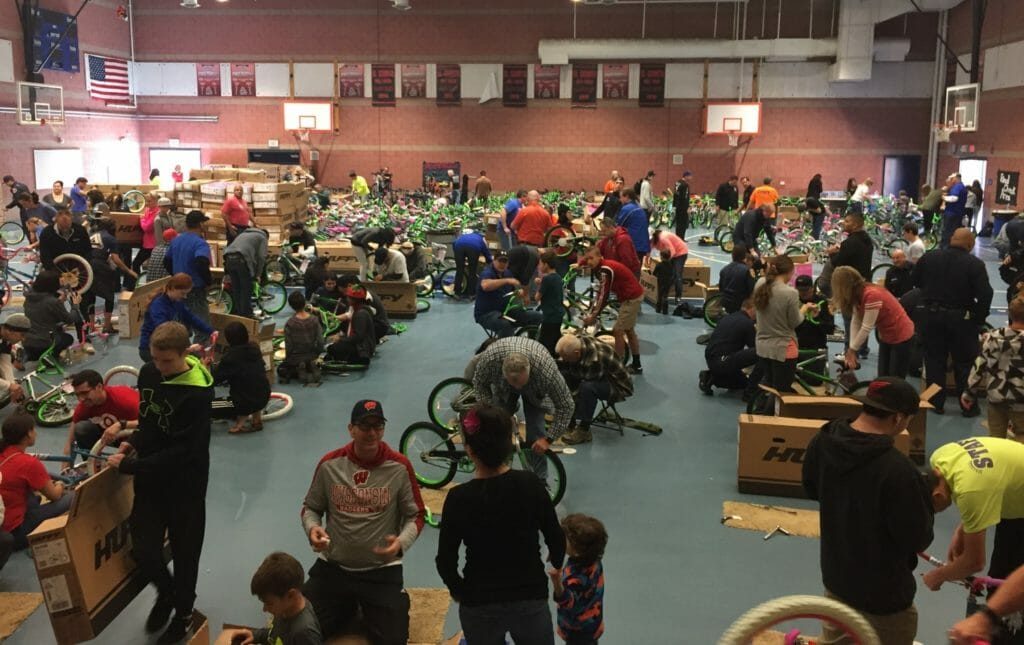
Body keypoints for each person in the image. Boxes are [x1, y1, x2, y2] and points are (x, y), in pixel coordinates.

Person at [802, 377, 933, 645]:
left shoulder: (824, 440)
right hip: (884, 596)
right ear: (897, 418)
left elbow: (812, 488)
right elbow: (917, 539)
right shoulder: (898, 470)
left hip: (837, 579)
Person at [107, 321, 214, 645]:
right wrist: (133, 440)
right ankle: (169, 596)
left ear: (184, 354)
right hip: (151, 482)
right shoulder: (150, 373)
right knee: (144, 552)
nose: (160, 368)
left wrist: (132, 465)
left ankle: (183, 615)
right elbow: (152, 420)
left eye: (167, 361)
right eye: (155, 359)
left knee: (185, 555)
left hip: (186, 486)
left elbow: (184, 451)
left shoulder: (197, 393)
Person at [435, 404, 564, 645]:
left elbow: (445, 560)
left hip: (480, 600)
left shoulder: (459, 498)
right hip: (529, 596)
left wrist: (461, 591)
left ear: (470, 450)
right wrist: (555, 563)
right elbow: (556, 538)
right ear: (509, 446)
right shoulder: (530, 483)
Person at [302, 398, 424, 644]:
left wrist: (400, 545)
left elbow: (417, 515)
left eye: (378, 426)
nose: (372, 433)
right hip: (334, 568)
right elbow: (311, 508)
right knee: (302, 629)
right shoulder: (330, 465)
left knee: (393, 640)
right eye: (364, 426)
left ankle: (392, 602)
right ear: (351, 429)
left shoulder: (400, 467)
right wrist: (313, 528)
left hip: (380, 572)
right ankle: (351, 607)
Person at [923, 437, 1024, 645]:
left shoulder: (971, 490)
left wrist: (938, 576)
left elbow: (975, 562)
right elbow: (981, 484)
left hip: (1019, 507)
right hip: (1015, 499)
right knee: (1000, 577)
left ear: (938, 497)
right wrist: (963, 529)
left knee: (1012, 588)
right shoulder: (940, 457)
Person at [912, 228, 993, 415]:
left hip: (931, 317)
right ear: (970, 245)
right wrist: (977, 318)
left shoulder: (929, 257)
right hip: (961, 320)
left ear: (951, 239)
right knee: (964, 364)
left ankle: (934, 403)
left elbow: (915, 280)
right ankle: (968, 406)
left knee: (933, 362)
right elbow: (986, 294)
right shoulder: (975, 264)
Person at [470, 337, 575, 476]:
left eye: (521, 383)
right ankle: (499, 472)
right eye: (514, 383)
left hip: (534, 391)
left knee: (536, 434)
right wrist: (490, 410)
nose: (518, 387)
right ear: (502, 371)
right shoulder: (491, 360)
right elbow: (479, 383)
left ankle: (539, 479)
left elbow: (566, 405)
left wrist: (548, 439)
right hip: (503, 389)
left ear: (529, 371)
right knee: (498, 429)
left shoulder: (546, 370)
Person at [0, 413, 73, 551]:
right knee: (72, 497)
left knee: (32, 496)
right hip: (14, 532)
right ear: (28, 434)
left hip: (3, 519)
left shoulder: (5, 453)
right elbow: (54, 496)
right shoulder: (28, 463)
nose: (36, 433)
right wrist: (60, 484)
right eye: (34, 429)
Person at [220, 552, 322, 645]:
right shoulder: (285, 610)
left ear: (291, 595)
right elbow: (274, 634)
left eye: (269, 603)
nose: (264, 609)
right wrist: (255, 635)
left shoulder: (305, 633)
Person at [832, 266, 915, 379]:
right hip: (886, 335)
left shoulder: (871, 294)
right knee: (882, 377)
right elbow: (855, 321)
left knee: (895, 379)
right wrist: (851, 349)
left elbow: (866, 327)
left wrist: (852, 350)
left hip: (901, 335)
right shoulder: (857, 294)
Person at [753, 255, 817, 395]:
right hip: (783, 348)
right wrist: (804, 309)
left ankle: (760, 413)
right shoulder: (790, 293)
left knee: (768, 385)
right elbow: (795, 322)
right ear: (789, 272)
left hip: (763, 345)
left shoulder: (760, 284)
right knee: (781, 392)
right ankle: (767, 414)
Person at [963, 297, 1024, 441]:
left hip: (996, 398)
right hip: (1021, 401)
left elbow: (979, 366)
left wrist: (969, 392)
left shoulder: (992, 338)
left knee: (995, 440)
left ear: (1010, 314)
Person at [556, 333, 633, 445]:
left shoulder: (595, 359)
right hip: (599, 376)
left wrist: (568, 403)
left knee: (587, 388)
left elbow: (580, 386)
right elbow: (564, 365)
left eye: (567, 358)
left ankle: (584, 429)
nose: (564, 359)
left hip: (617, 385)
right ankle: (570, 422)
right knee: (564, 374)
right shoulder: (577, 344)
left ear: (577, 354)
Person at [578, 247, 645, 374]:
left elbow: (604, 295)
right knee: (629, 331)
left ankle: (617, 368)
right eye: (587, 259)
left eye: (591, 258)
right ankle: (637, 365)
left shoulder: (605, 270)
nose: (589, 262)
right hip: (629, 296)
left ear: (600, 257)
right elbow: (601, 294)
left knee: (618, 330)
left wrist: (593, 315)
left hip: (632, 297)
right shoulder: (600, 266)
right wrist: (580, 263)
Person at [549, 513, 607, 645]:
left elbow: (567, 601)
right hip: (593, 625)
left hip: (577, 631)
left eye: (565, 539)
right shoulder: (595, 561)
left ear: (578, 548)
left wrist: (556, 580)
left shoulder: (576, 577)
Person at [826, 212, 875, 356]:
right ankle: (863, 348)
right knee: (861, 317)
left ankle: (849, 351)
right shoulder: (867, 240)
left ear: (855, 224)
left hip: (850, 287)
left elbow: (837, 263)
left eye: (847, 221)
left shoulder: (849, 243)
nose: (844, 223)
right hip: (865, 283)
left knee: (850, 320)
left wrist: (832, 253)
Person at [138, 273, 215, 363]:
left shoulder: (176, 301)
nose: (184, 296)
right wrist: (187, 349)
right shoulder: (158, 306)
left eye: (186, 294)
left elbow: (191, 318)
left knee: (197, 360)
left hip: (169, 344)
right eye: (182, 293)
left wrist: (211, 331)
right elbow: (165, 333)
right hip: (152, 348)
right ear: (173, 288)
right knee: (193, 362)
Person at [210, 322, 270, 434]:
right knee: (252, 385)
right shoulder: (255, 349)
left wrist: (205, 366)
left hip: (244, 402)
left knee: (206, 406)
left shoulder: (230, 357)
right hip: (264, 397)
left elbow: (213, 380)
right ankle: (256, 420)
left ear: (228, 339)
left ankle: (240, 423)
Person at [65, 368, 140, 456]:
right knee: (81, 428)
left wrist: (120, 425)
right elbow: (70, 441)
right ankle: (92, 464)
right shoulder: (85, 404)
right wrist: (66, 467)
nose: (81, 399)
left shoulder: (125, 400)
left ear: (99, 387)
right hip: (112, 437)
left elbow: (150, 423)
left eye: (85, 393)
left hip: (136, 437)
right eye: (77, 394)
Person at [165, 210, 212, 343]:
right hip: (195, 289)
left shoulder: (177, 240)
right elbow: (201, 262)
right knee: (203, 330)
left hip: (177, 290)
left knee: (182, 330)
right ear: (201, 224)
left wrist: (176, 276)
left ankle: (181, 359)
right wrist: (208, 281)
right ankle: (196, 362)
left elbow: (166, 261)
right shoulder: (200, 243)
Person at [474, 251, 541, 338]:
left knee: (536, 316)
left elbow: (512, 291)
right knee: (505, 326)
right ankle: (504, 349)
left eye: (505, 261)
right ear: (494, 261)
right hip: (486, 314)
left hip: (505, 310)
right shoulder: (487, 273)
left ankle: (531, 342)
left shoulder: (507, 273)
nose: (502, 264)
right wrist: (506, 280)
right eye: (500, 261)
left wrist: (518, 293)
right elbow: (485, 285)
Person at [700, 299, 759, 397]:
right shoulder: (747, 323)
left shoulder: (728, 317)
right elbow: (754, 346)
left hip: (712, 359)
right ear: (752, 309)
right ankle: (752, 387)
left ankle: (713, 376)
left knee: (741, 383)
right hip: (724, 360)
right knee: (762, 352)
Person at [23, 269, 80, 362]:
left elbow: (42, 310)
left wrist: (59, 302)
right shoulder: (53, 302)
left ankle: (30, 354)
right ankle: (49, 355)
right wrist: (75, 305)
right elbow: (70, 320)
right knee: (68, 338)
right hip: (43, 343)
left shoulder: (29, 297)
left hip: (27, 342)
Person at [89, 216, 134, 332]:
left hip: (87, 265)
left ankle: (91, 326)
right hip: (100, 265)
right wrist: (128, 271)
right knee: (109, 295)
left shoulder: (92, 235)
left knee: (90, 295)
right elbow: (116, 259)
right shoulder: (111, 238)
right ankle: (107, 326)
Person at [794, 275, 834, 384]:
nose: (803, 293)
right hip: (795, 347)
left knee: (814, 382)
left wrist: (816, 319)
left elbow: (830, 329)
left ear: (812, 288)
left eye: (806, 290)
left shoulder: (822, 302)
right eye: (800, 290)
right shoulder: (792, 301)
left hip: (815, 349)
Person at [223, 227, 269, 319]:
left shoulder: (243, 234)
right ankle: (247, 315)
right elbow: (261, 257)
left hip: (228, 258)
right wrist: (258, 274)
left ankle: (239, 313)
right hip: (241, 260)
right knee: (246, 288)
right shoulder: (262, 237)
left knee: (237, 288)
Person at [280, 291, 323, 385]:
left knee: (282, 368)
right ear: (305, 303)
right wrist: (318, 353)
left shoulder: (290, 323)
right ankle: (311, 364)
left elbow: (289, 345)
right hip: (312, 353)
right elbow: (320, 340)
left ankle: (300, 366)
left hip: (296, 356)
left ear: (291, 306)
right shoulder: (314, 320)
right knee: (310, 358)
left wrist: (288, 359)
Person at [325, 286, 376, 366]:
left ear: (353, 299)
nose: (347, 299)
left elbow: (358, 337)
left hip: (362, 349)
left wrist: (341, 340)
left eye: (348, 297)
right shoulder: (357, 309)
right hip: (361, 345)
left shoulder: (361, 314)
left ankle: (354, 359)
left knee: (332, 348)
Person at [38, 206, 91, 270]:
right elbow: (45, 257)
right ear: (56, 218)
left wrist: (80, 268)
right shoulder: (47, 233)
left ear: (72, 217)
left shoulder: (80, 230)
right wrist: (55, 272)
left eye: (67, 213)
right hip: (56, 268)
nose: (64, 217)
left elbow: (88, 251)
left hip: (79, 267)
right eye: (60, 214)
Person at [535, 252, 564, 356]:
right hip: (558, 315)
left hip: (549, 316)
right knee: (555, 342)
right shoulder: (558, 277)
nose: (539, 266)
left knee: (545, 346)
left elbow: (537, 297)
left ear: (546, 265)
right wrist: (542, 283)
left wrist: (539, 285)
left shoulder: (546, 279)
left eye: (540, 264)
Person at [651, 229, 688, 303]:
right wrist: (647, 258)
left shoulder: (663, 238)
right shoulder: (653, 240)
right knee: (669, 274)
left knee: (677, 275)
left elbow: (673, 251)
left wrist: (665, 262)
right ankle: (664, 295)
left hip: (680, 253)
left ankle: (678, 297)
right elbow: (649, 248)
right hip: (671, 254)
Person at [0, 314, 30, 406]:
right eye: (22, 335)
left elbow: (5, 363)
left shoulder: (6, 340)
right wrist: (8, 386)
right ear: (9, 331)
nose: (23, 339)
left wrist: (12, 385)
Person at [718, 245, 757, 314]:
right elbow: (752, 289)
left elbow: (721, 288)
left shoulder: (723, 270)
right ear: (744, 256)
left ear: (732, 256)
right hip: (740, 303)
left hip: (726, 302)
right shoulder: (746, 270)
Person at [615, 188, 650, 265]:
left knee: (627, 271)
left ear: (627, 196)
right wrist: (648, 248)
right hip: (641, 246)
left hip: (631, 246)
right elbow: (645, 229)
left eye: (621, 197)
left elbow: (618, 227)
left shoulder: (627, 209)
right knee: (636, 271)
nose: (620, 200)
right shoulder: (640, 209)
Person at [941, 173, 968, 248]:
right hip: (956, 213)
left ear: (956, 178)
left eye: (951, 178)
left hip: (952, 214)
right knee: (952, 232)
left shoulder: (958, 187)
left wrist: (944, 198)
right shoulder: (961, 187)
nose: (950, 180)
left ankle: (946, 250)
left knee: (948, 233)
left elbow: (954, 198)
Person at [671, 170, 692, 238]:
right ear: (686, 176)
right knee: (683, 223)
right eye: (690, 176)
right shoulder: (685, 185)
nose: (691, 177)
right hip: (683, 207)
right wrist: (688, 207)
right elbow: (685, 197)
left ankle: (678, 238)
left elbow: (675, 195)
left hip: (677, 206)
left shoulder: (677, 182)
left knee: (678, 223)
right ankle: (681, 238)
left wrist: (674, 205)